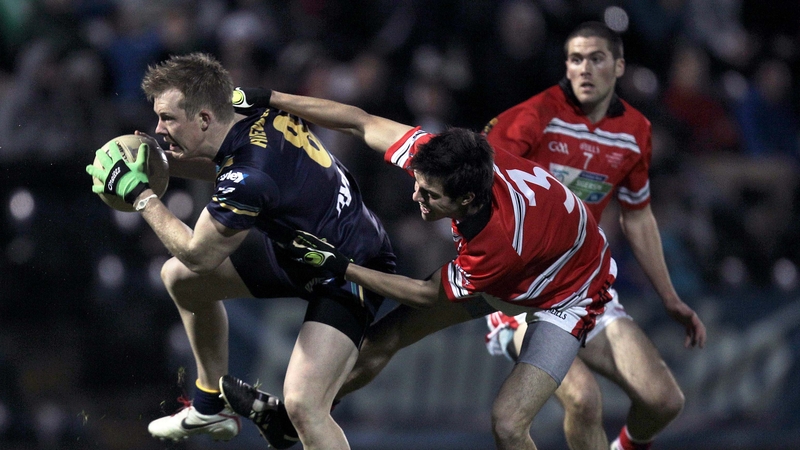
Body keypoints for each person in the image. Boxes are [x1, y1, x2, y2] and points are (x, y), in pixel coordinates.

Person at [221, 86, 618, 450]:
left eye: (429, 194)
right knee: (383, 339)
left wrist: (342, 267)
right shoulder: (448, 160)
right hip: (530, 260)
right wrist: (270, 97)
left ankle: (287, 418)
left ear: (467, 200)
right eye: (417, 183)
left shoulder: (498, 245)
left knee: (509, 423)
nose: (416, 197)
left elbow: (425, 294)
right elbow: (359, 121)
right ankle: (290, 419)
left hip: (569, 291)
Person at [84, 52, 396, 450]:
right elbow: (224, 167)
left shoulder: (249, 175)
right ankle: (210, 404)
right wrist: (163, 163)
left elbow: (200, 253)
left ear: (203, 119)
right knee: (180, 279)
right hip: (303, 248)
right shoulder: (243, 110)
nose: (158, 128)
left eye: (168, 118)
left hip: (352, 269)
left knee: (304, 407)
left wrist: (141, 194)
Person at [480, 21, 706, 450]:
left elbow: (637, 217)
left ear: (618, 66)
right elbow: (476, 168)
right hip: (525, 294)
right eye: (575, 59)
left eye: (596, 58)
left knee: (663, 402)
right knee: (584, 400)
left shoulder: (636, 131)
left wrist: (670, 297)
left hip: (585, 288)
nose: (584, 69)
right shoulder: (536, 115)